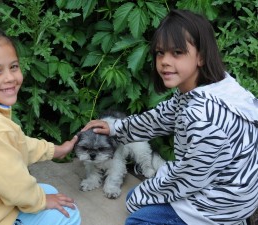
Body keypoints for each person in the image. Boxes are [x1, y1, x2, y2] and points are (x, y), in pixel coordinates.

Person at [82, 9, 258, 225]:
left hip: (219, 206)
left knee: (136, 214)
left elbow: (188, 179)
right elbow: (159, 118)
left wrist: (144, 195)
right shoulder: (215, 87)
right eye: (160, 52)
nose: (164, 61)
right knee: (136, 199)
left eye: (177, 52)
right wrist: (115, 128)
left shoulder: (204, 117)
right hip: (223, 187)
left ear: (201, 56)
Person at [0, 25, 81, 225]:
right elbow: (13, 184)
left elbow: (17, 143)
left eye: (13, 67)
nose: (10, 78)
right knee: (68, 213)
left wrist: (54, 150)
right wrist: (40, 201)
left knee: (48, 191)